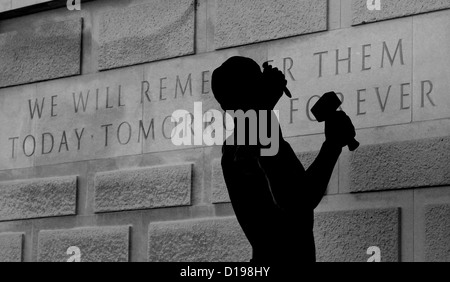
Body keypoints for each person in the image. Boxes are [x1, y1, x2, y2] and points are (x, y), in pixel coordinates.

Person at [211, 56, 356, 263]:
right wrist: (332, 146)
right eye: (258, 80)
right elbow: (298, 200)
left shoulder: (242, 140)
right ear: (250, 91)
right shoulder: (255, 135)